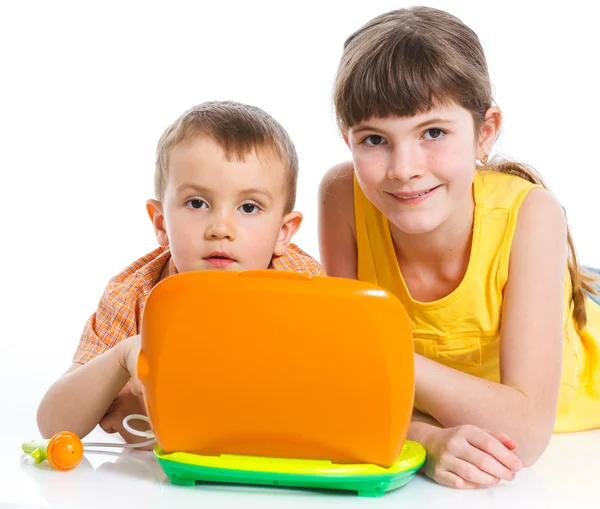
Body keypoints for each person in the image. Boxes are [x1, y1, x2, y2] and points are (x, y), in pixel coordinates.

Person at [318, 6, 600, 489]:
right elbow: (349, 390)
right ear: (347, 139)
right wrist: (424, 440)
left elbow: (526, 433)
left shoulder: (532, 216)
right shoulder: (342, 197)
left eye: (433, 132)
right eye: (374, 139)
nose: (403, 168)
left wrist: (382, 355)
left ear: (484, 132)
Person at [38, 100, 324, 444]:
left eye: (248, 207)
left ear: (283, 231)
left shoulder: (308, 290)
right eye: (197, 203)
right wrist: (121, 358)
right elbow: (54, 424)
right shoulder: (133, 294)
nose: (220, 227)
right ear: (161, 223)